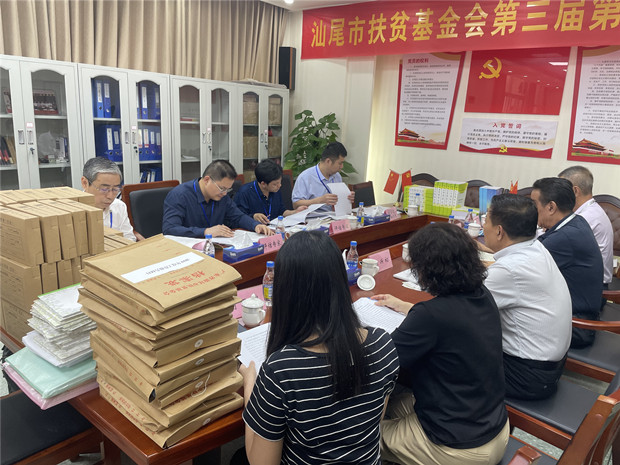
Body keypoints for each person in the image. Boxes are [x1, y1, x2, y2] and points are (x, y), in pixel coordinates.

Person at [238, 231, 399, 465]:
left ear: (285, 293)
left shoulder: (280, 371)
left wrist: (250, 385)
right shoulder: (383, 344)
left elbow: (261, 463)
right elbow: (374, 420)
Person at [372, 223, 509, 465]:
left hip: (458, 447)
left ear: (427, 271)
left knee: (356, 437)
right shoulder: (482, 294)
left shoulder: (431, 316)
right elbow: (452, 320)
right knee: (394, 402)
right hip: (492, 425)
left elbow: (381, 361)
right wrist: (405, 306)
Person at [483, 194, 572, 400]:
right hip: (550, 366)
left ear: (499, 231)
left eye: (485, 220)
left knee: (447, 348)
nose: (483, 226)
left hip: (527, 376)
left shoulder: (509, 269)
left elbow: (462, 309)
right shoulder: (536, 247)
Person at [532, 177, 603, 348]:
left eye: (534, 205)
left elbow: (521, 265)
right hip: (575, 313)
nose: (531, 211)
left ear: (551, 207)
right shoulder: (575, 221)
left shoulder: (565, 237)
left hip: (576, 325)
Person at [162, 160, 273, 238]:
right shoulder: (179, 195)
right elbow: (169, 229)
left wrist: (255, 225)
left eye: (228, 189)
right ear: (207, 180)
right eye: (222, 188)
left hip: (215, 247)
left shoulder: (222, 196)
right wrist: (206, 231)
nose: (224, 193)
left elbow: (238, 216)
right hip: (188, 252)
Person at [558, 165, 614, 288]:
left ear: (575, 191)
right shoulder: (588, 211)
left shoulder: (587, 217)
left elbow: (558, 244)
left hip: (591, 288)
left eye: (561, 189)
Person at [81, 157, 140, 241]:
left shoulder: (119, 206)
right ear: (85, 183)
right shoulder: (73, 212)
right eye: (104, 189)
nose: (110, 196)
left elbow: (129, 237)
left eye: (115, 189)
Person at [234, 159, 307, 224]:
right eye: (275, 184)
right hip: (253, 230)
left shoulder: (275, 190)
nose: (279, 185)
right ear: (263, 184)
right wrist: (254, 216)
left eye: (280, 182)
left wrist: (295, 212)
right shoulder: (244, 193)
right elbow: (237, 218)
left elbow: (282, 211)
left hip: (273, 229)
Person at [291, 141, 355, 212]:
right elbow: (296, 204)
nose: (342, 167)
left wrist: (346, 197)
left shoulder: (337, 176)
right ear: (328, 161)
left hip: (333, 216)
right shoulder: (305, 177)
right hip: (313, 216)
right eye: (340, 163)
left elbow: (338, 201)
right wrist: (319, 200)